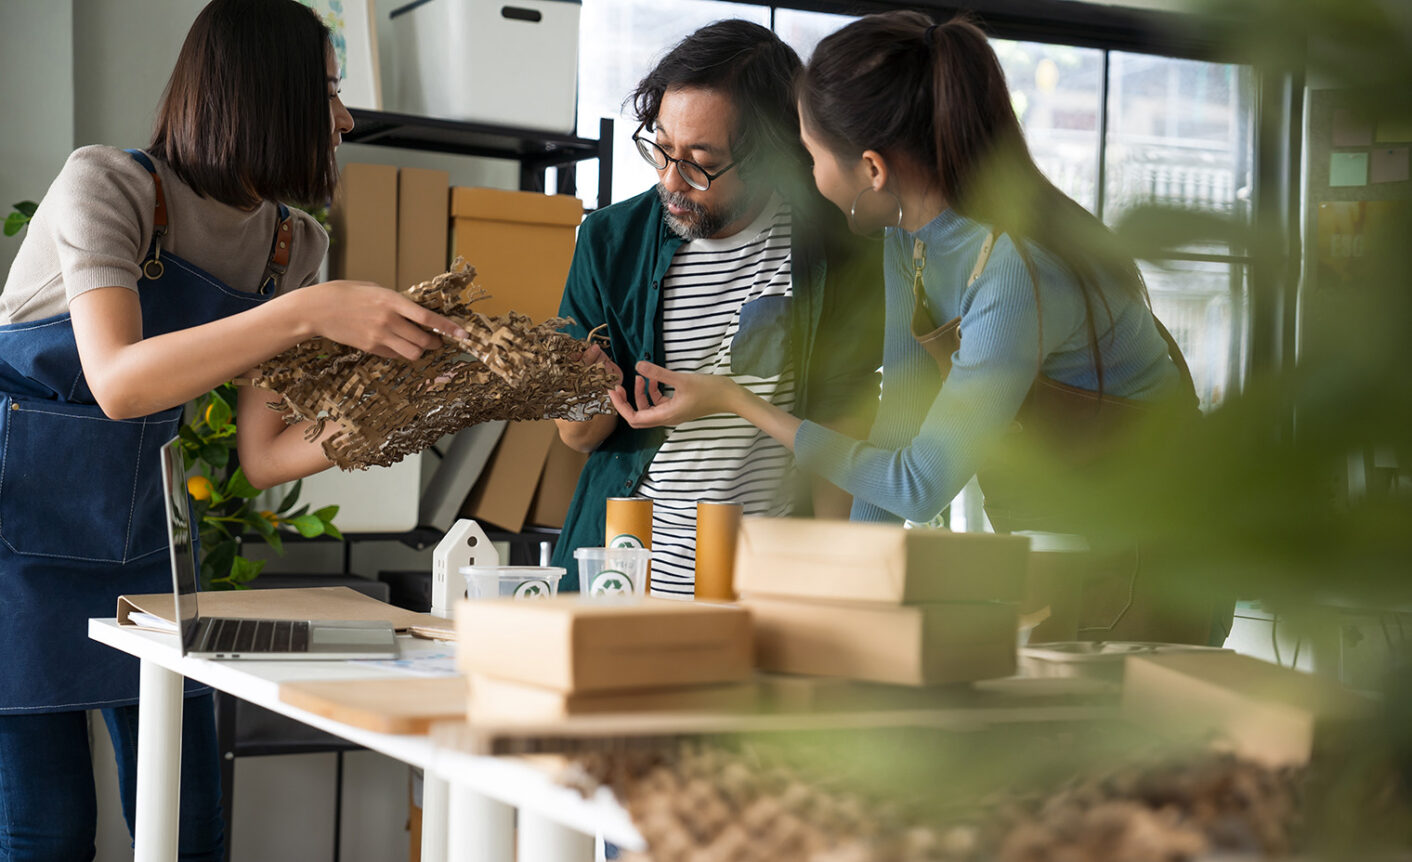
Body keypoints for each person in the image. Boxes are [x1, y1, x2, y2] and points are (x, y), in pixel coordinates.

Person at [0, 1, 467, 858]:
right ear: (263, 95)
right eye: (328, 92)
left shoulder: (291, 245)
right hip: (13, 539)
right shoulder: (107, 185)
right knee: (45, 832)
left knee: (189, 827)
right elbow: (118, 383)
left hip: (137, 535)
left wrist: (415, 403)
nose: (345, 118)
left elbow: (262, 459)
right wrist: (308, 314)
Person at [611, 11, 1198, 538]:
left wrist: (741, 402)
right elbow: (897, 430)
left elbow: (918, 487)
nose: (806, 178)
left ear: (871, 169)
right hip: (1049, 538)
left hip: (1149, 551)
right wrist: (857, 575)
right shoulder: (906, 239)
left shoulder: (1015, 272)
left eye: (812, 158)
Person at [550, 20, 883, 596]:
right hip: (621, 578)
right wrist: (584, 387)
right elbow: (578, 438)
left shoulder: (834, 248)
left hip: (768, 581)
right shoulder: (609, 242)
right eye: (661, 148)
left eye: (700, 161)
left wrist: (840, 581)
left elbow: (842, 420)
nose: (671, 181)